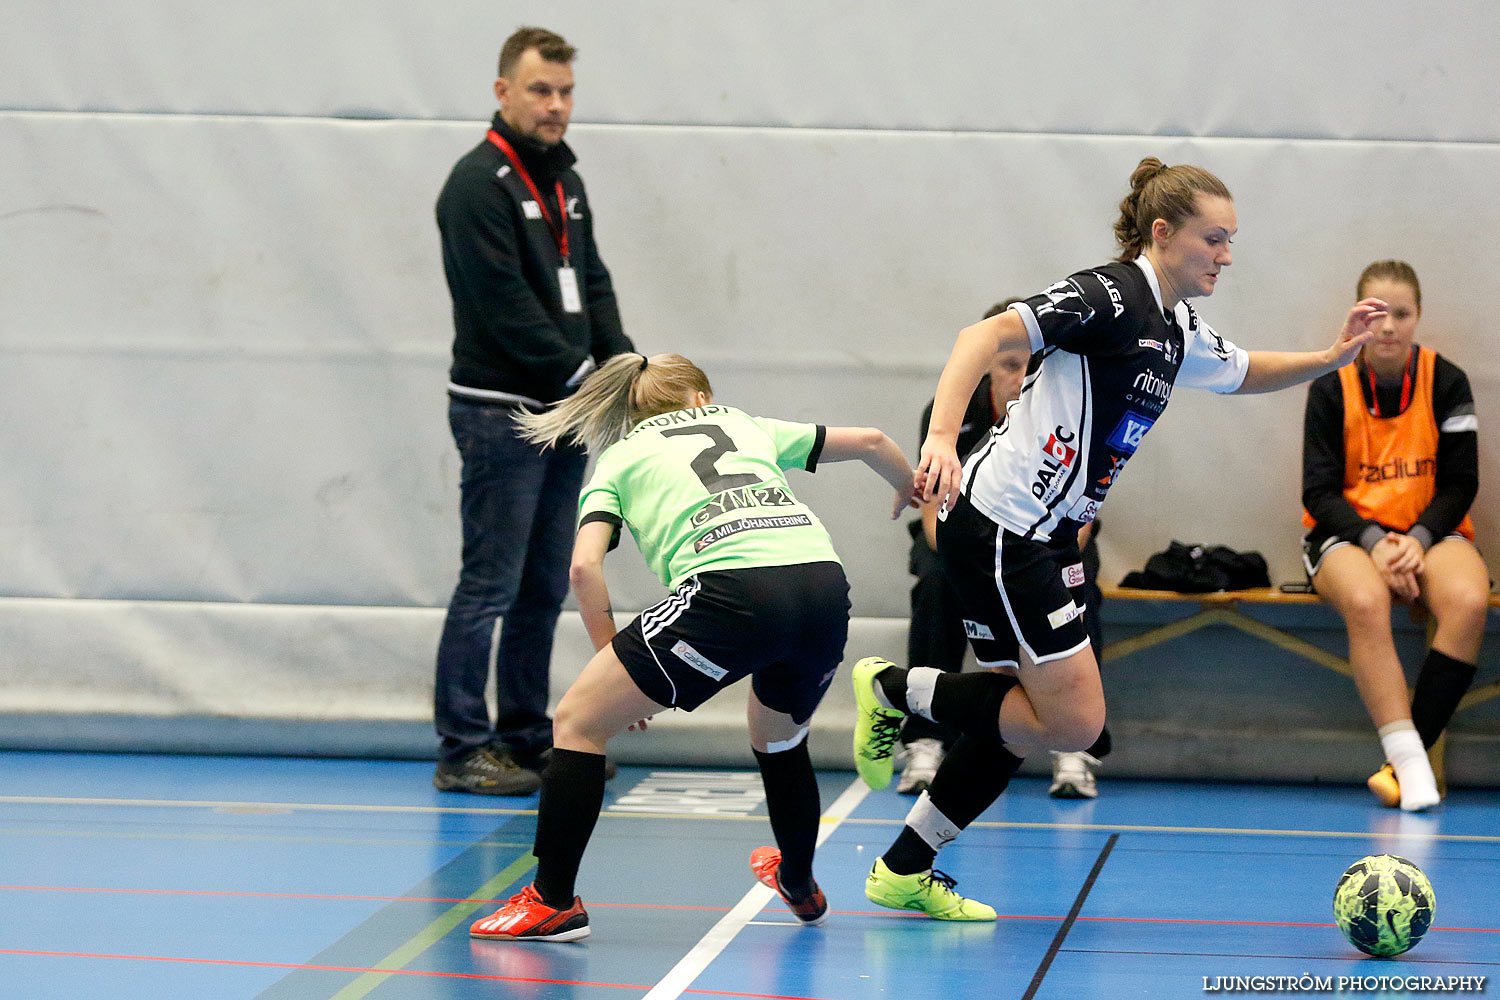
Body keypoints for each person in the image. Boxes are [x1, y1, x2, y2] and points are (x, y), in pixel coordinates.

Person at [850, 156, 1388, 921]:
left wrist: (1330, 358)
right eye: (1214, 239)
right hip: (1004, 526)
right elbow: (983, 335)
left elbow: (1244, 371)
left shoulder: (1177, 326)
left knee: (1018, 720)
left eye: (1232, 240)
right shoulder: (1110, 294)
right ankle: (894, 690)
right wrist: (941, 436)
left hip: (1036, 537)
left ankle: (903, 867)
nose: (1226, 256)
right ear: (1162, 233)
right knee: (1077, 722)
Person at [467, 352, 921, 941]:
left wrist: (611, 659)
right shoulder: (742, 423)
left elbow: (583, 567)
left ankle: (552, 900)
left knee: (578, 722)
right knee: (780, 739)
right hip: (822, 585)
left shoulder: (621, 455)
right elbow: (871, 440)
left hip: (731, 591)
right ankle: (801, 883)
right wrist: (910, 486)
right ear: (701, 399)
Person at [432, 27, 635, 795]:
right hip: (502, 414)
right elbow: (504, 307)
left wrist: (626, 367)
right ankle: (461, 746)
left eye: (565, 92)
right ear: (503, 92)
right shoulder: (475, 184)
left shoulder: (564, 181)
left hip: (566, 411)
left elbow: (594, 279)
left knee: (544, 584)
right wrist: (587, 375)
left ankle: (522, 735)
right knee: (489, 582)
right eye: (540, 90)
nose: (555, 106)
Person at [899, 300, 1112, 799]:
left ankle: (1074, 747)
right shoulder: (952, 414)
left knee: (1080, 583)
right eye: (1011, 365)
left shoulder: (1073, 407)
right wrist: (974, 561)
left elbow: (1081, 517)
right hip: (965, 538)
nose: (1022, 377)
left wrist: (1033, 561)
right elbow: (933, 516)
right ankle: (926, 740)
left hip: (1050, 541)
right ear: (989, 369)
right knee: (936, 579)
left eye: (1033, 366)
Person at [1301, 260, 1484, 812]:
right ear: (1358, 317)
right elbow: (1319, 492)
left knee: (1471, 601)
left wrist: (1420, 538)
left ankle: (1403, 763)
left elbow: (1461, 482)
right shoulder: (1331, 388)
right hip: (1350, 536)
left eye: (1400, 314)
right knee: (1365, 598)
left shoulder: (1447, 381)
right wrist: (1377, 540)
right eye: (1375, 314)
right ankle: (1411, 765)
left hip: (1432, 531)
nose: (1387, 327)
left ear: (1417, 317)